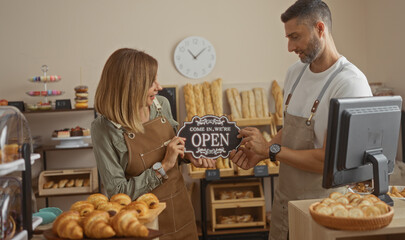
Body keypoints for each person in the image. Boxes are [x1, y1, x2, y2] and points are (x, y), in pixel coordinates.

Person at [230, 0, 372, 239]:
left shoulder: (349, 84)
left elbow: (330, 161)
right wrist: (261, 152)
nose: (289, 47)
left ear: (320, 29)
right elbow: (292, 128)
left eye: (295, 37)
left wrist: (271, 149)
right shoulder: (295, 73)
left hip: (325, 208)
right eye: (287, 38)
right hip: (286, 202)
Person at [91, 48, 214, 240]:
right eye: (151, 82)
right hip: (141, 223)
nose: (159, 86)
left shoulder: (161, 105)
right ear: (130, 86)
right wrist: (163, 166)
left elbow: (175, 149)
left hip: (181, 211)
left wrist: (188, 154)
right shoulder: (103, 129)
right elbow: (118, 193)